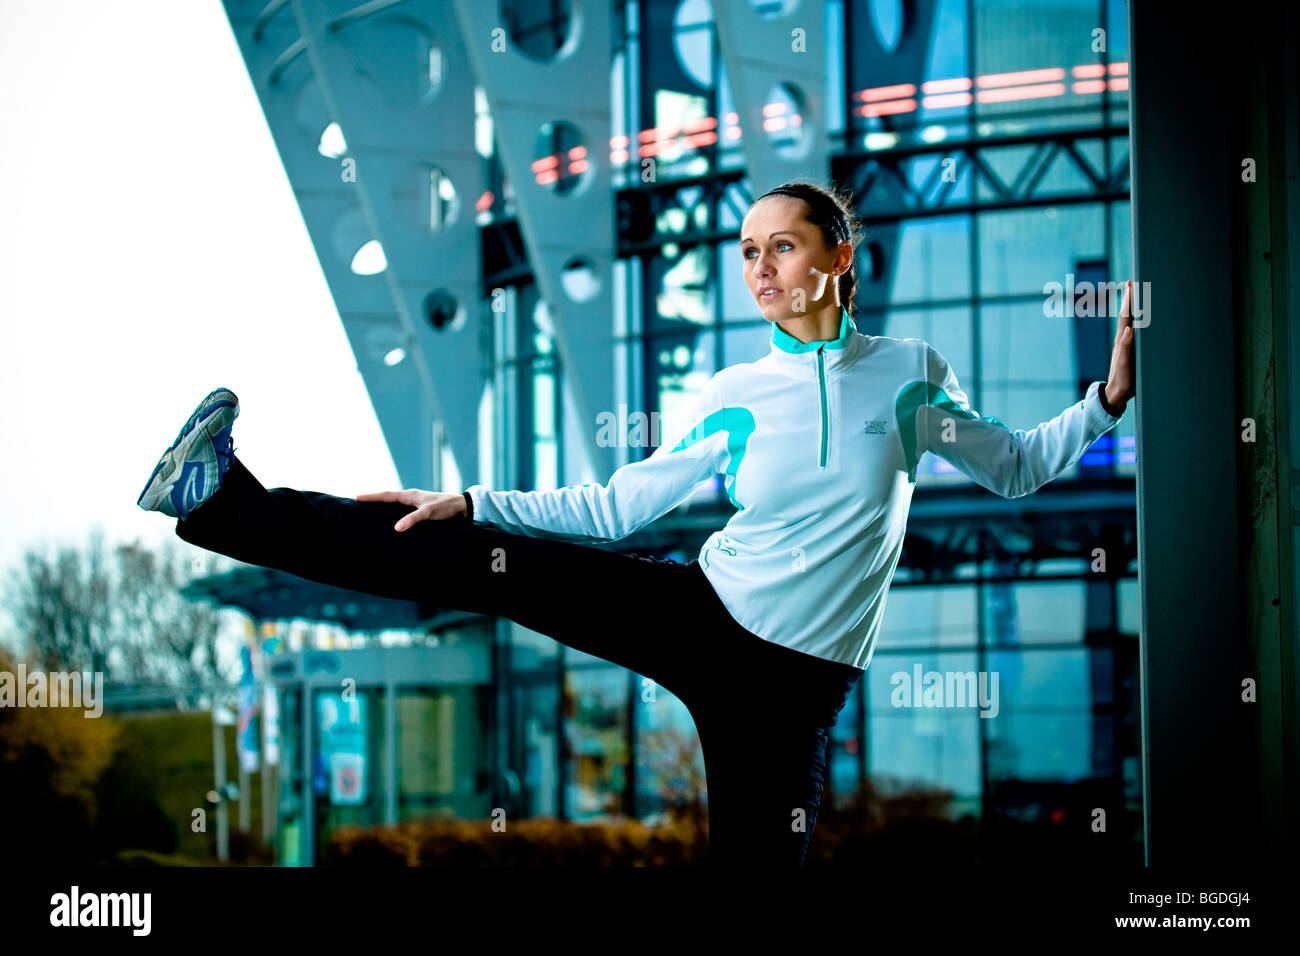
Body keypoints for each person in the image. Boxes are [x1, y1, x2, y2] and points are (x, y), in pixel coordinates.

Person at [137, 179, 1135, 867]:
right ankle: (221, 499)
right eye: (747, 253)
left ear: (839, 253)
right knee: (477, 562)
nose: (760, 268)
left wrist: (1104, 400)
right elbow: (619, 506)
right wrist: (478, 500)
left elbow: (1013, 466)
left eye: (780, 246)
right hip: (701, 611)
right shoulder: (737, 391)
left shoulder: (911, 373)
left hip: (797, 694)